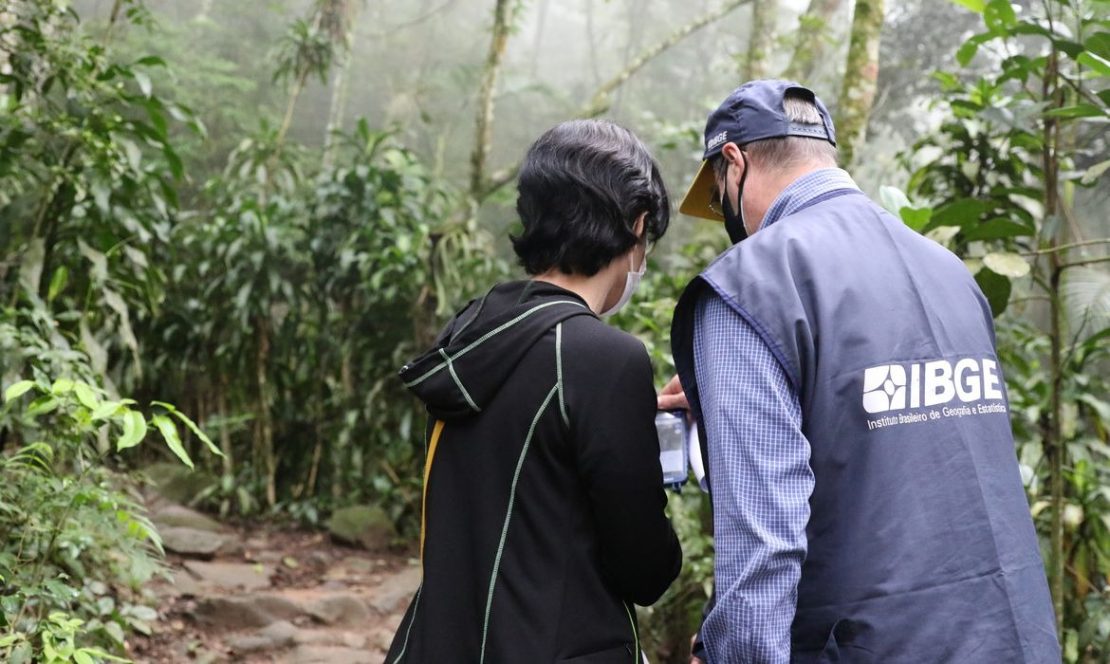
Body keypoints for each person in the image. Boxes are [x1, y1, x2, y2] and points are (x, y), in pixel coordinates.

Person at [664, 80, 1060, 663]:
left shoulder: (752, 285)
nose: (728, 216)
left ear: (734, 161)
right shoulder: (949, 273)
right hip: (1011, 638)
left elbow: (762, 540)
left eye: (721, 197)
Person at [387, 119, 682, 664]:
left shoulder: (474, 330)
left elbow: (523, 469)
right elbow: (645, 569)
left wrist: (630, 419)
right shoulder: (605, 359)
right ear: (637, 225)